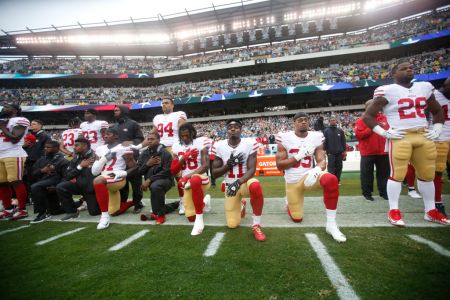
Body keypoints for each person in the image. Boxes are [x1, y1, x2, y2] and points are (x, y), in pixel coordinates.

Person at [362, 60, 449, 226]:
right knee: (397, 174)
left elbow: (437, 111)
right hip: (401, 136)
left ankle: (430, 211)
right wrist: (384, 132)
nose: (409, 70)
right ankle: (393, 211)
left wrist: (437, 127)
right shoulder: (387, 90)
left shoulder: (424, 87)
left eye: (411, 68)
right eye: (404, 68)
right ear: (394, 74)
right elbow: (368, 116)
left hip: (423, 134)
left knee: (427, 174)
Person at [275, 112, 346, 242]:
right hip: (292, 182)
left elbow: (321, 158)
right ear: (294, 123)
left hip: (309, 177)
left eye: (306, 120)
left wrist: (318, 169)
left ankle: (331, 224)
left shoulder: (316, 136)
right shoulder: (284, 137)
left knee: (331, 179)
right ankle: (289, 203)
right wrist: (298, 156)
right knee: (297, 218)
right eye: (300, 120)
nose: (303, 122)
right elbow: (279, 165)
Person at [211, 119, 266, 242]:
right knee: (232, 224)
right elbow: (214, 174)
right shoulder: (219, 146)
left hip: (244, 182)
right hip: (230, 186)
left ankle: (256, 225)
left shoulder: (250, 143)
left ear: (241, 130)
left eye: (236, 126)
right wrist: (228, 165)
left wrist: (238, 183)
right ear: (227, 130)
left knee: (256, 186)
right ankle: (241, 205)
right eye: (230, 127)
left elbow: (252, 170)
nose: (233, 129)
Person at [91, 128, 136, 230]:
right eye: (104, 134)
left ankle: (104, 217)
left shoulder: (123, 148)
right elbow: (94, 171)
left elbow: (134, 167)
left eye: (108, 134)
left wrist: (122, 173)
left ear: (116, 136)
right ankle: (133, 202)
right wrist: (104, 158)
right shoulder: (100, 149)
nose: (105, 136)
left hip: (117, 177)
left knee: (97, 181)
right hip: (104, 177)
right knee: (114, 212)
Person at [171, 123, 212, 235]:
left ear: (193, 133)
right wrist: (184, 158)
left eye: (187, 135)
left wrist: (187, 177)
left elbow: (205, 166)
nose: (185, 138)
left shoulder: (201, 143)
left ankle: (200, 220)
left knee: (194, 179)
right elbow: (173, 170)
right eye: (182, 136)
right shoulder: (176, 146)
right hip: (186, 183)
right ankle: (205, 201)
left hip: (201, 178)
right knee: (190, 218)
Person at [152, 97, 187, 214]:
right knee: (159, 175)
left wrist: (183, 147)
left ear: (172, 105)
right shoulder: (157, 117)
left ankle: (183, 201)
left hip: (174, 147)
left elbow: (183, 128)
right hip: (161, 149)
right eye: (162, 103)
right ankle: (159, 202)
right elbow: (153, 133)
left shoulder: (179, 114)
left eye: (166, 103)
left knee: (179, 176)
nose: (164, 105)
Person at [138, 132, 179, 225]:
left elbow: (167, 172)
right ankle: (174, 205)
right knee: (154, 186)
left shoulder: (166, 153)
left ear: (158, 140)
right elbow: (139, 171)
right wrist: (147, 164)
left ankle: (159, 215)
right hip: (151, 182)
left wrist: (149, 180)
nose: (149, 141)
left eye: (152, 139)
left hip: (166, 180)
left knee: (155, 186)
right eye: (148, 139)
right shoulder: (144, 153)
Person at [56, 137, 99, 221]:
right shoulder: (76, 158)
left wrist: (89, 193)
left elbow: (92, 177)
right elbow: (68, 175)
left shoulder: (94, 157)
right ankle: (72, 212)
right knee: (61, 187)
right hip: (80, 185)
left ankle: (88, 199)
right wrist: (80, 167)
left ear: (85, 146)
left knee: (94, 212)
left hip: (92, 188)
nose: (74, 147)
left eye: (76, 145)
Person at [0, 104, 30, 220]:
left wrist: (2, 127)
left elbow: (15, 138)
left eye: (7, 106)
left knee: (16, 181)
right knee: (1, 183)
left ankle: (22, 209)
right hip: (0, 154)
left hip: (13, 154)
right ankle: (8, 209)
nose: (3, 108)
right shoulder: (3, 120)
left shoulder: (20, 120)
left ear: (15, 110)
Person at [354, 100, 389, 201]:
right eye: (371, 106)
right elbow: (359, 135)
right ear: (367, 108)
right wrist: (373, 127)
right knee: (366, 174)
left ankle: (384, 192)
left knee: (384, 174)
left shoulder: (385, 119)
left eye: (375, 105)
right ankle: (367, 193)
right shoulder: (361, 120)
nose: (374, 108)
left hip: (383, 152)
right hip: (367, 153)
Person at [113, 105, 145, 214]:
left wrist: (131, 142)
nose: (114, 112)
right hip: (119, 160)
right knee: (122, 182)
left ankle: (138, 203)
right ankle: (123, 203)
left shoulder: (133, 124)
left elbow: (141, 139)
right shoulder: (114, 126)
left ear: (124, 111)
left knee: (136, 182)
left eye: (117, 110)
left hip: (132, 158)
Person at [30, 141, 68, 223]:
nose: (45, 149)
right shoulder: (42, 159)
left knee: (35, 186)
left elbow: (66, 176)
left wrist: (57, 187)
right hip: (43, 183)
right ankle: (76, 204)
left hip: (55, 183)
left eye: (48, 147)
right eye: (45, 147)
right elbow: (33, 173)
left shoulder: (63, 160)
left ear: (56, 148)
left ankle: (42, 213)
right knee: (55, 211)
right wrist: (42, 170)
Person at [433, 77, 450, 216]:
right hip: (439, 138)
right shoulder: (434, 95)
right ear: (444, 86)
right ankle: (437, 202)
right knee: (437, 172)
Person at [323, 115, 346, 184]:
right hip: (330, 152)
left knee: (339, 167)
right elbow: (324, 142)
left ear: (336, 121)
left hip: (339, 152)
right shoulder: (326, 131)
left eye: (334, 120)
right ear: (329, 121)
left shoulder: (340, 131)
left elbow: (343, 141)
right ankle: (332, 181)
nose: (333, 121)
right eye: (331, 120)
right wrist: (324, 150)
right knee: (331, 167)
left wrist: (344, 151)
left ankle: (337, 180)